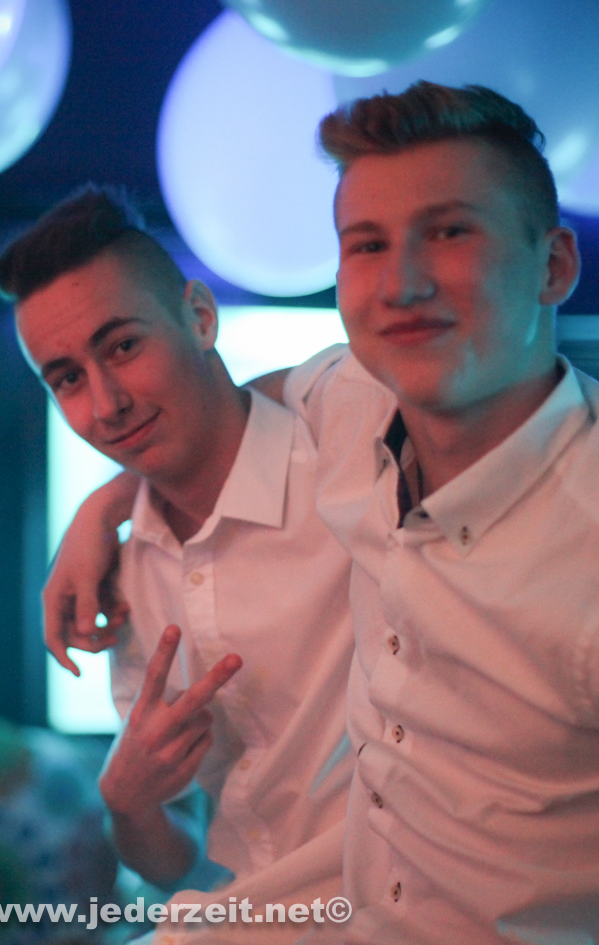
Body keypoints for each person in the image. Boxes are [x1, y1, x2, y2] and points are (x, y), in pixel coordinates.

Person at [281, 80, 599, 944]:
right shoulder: (356, 396)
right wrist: (111, 505)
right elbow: (260, 395)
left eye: (450, 231)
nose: (402, 283)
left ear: (553, 266)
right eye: (368, 244)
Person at [0, 187, 355, 944]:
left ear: (200, 316)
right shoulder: (126, 578)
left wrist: (102, 502)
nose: (106, 404)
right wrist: (127, 803)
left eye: (123, 346)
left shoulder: (348, 458)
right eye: (67, 378)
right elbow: (182, 868)